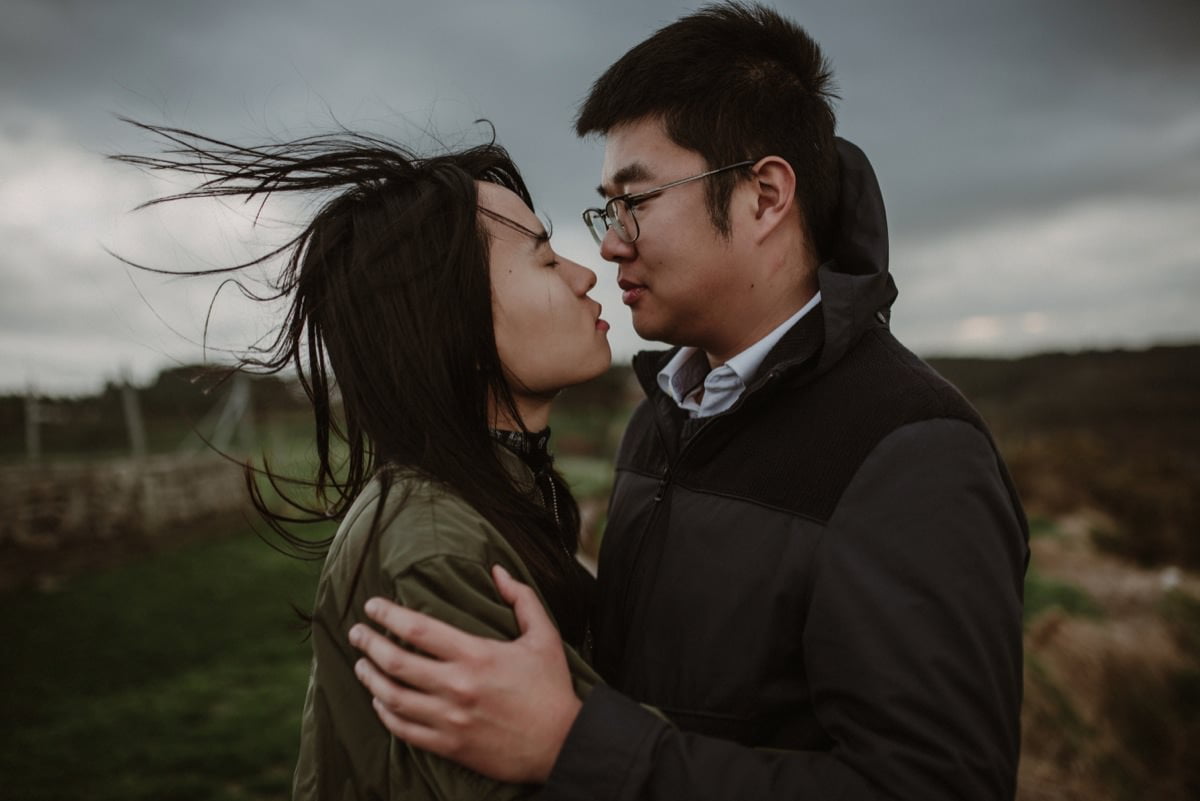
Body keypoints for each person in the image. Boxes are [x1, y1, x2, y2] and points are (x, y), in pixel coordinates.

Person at [351, 3, 1030, 800]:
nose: (608, 242)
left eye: (635, 199)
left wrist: (578, 744)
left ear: (765, 196)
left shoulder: (911, 451)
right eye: (607, 206)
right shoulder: (659, 421)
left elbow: (936, 785)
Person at [114, 123, 613, 799]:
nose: (587, 274)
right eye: (548, 260)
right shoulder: (435, 550)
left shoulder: (496, 495)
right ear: (457, 325)